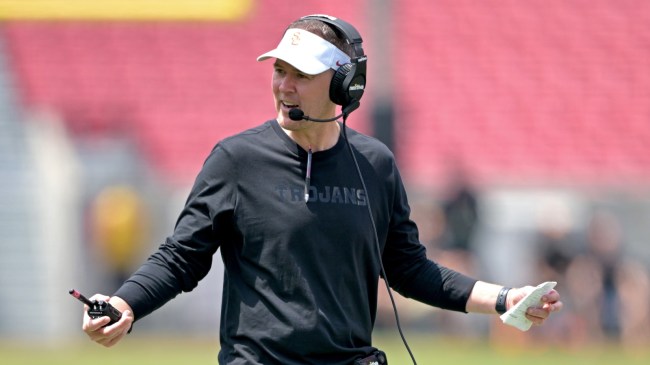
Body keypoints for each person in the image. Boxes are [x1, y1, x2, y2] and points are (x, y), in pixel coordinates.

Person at [80, 14, 562, 365]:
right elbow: (180, 257)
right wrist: (125, 305)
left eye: (301, 75)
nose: (284, 86)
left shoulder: (375, 164)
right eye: (279, 71)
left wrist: (503, 299)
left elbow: (409, 270)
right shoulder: (235, 160)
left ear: (344, 86)